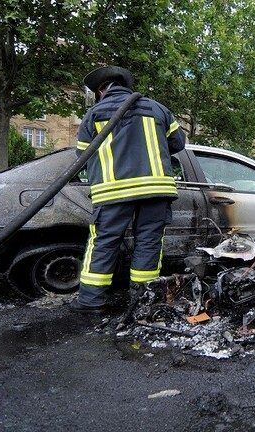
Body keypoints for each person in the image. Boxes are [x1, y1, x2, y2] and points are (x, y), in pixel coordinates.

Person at [70, 65, 186, 314]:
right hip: (156, 189)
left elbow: (82, 154)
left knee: (104, 243)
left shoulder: (94, 114)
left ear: (101, 91)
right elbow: (178, 143)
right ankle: (142, 301)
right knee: (149, 243)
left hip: (113, 192)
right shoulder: (158, 108)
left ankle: (91, 301)